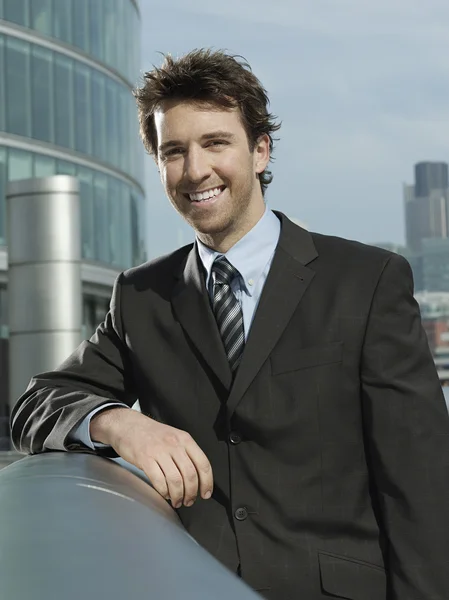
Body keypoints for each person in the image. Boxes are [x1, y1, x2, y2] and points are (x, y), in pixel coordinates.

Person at [10, 48, 449, 600]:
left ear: (260, 150)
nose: (195, 171)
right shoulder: (142, 296)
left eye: (215, 143)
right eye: (174, 151)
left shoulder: (368, 280)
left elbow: (420, 485)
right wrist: (121, 423)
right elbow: (37, 403)